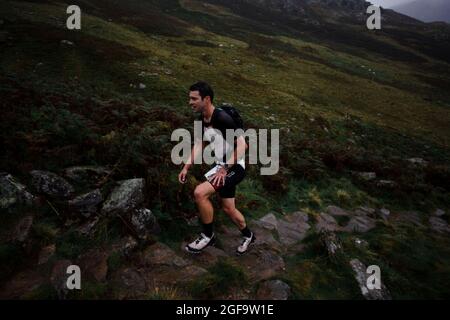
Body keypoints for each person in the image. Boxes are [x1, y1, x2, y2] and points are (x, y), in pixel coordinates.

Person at [178, 81, 256, 255]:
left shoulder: (222, 118)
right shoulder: (201, 120)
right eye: (189, 98)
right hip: (222, 165)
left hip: (235, 166)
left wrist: (224, 169)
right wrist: (186, 167)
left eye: (194, 98)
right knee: (229, 208)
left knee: (200, 192)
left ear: (206, 99)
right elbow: (199, 145)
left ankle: (207, 236)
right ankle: (249, 235)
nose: (190, 102)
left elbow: (243, 145)